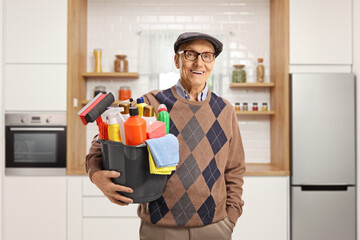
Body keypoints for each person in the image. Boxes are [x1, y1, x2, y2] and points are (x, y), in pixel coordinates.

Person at [85, 32, 246, 240]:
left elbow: (235, 169)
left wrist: (230, 218)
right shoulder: (150, 104)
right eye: (190, 54)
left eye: (207, 55)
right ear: (177, 60)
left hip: (214, 228)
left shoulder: (225, 110)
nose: (199, 62)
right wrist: (96, 174)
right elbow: (103, 139)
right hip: (159, 229)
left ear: (213, 61)